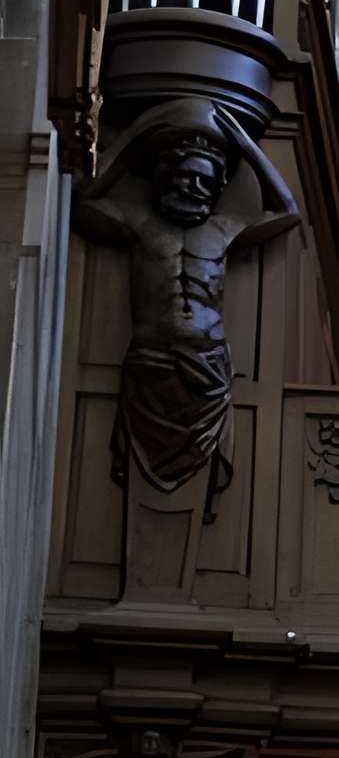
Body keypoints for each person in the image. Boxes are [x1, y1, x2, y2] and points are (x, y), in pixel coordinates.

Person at [74, 97, 299, 505]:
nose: (189, 188)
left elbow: (286, 210)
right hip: (151, 362)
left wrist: (244, 143)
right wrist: (137, 134)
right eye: (181, 177)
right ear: (162, 177)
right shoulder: (141, 228)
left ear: (216, 188)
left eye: (202, 181)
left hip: (207, 368)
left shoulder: (223, 232)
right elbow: (84, 199)